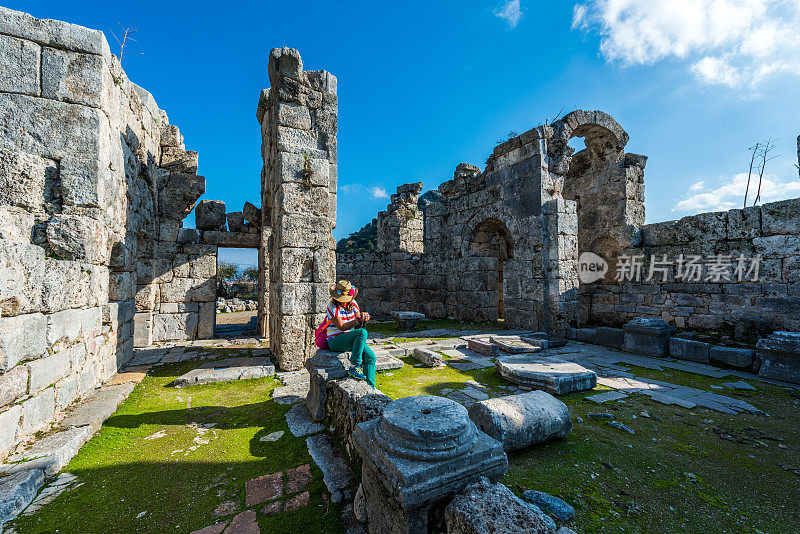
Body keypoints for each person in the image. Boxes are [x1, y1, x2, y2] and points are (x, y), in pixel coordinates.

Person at [325, 280, 376, 389]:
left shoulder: (354, 304)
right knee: (362, 332)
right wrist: (357, 320)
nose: (344, 301)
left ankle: (370, 388)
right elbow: (342, 327)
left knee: (371, 357)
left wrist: (363, 317)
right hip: (335, 341)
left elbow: (357, 325)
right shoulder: (331, 306)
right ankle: (354, 366)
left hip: (350, 339)